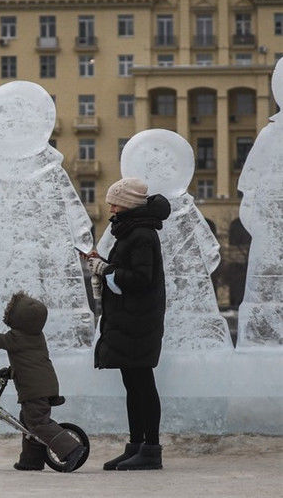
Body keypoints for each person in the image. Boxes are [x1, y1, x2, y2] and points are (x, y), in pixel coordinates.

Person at [85, 177, 170, 471]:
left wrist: (107, 268)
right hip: (130, 320)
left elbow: (141, 280)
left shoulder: (142, 235)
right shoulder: (131, 232)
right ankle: (136, 446)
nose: (110, 207)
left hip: (139, 322)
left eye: (115, 202)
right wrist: (103, 263)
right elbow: (129, 272)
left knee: (142, 385)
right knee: (133, 386)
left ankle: (151, 449)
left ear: (130, 204)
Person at [0, 292, 87, 472]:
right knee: (27, 421)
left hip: (35, 389)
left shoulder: (16, 337)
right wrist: (11, 372)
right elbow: (30, 362)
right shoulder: (36, 335)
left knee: (37, 423)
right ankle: (31, 460)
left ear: (18, 318)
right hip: (44, 384)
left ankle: (72, 449)